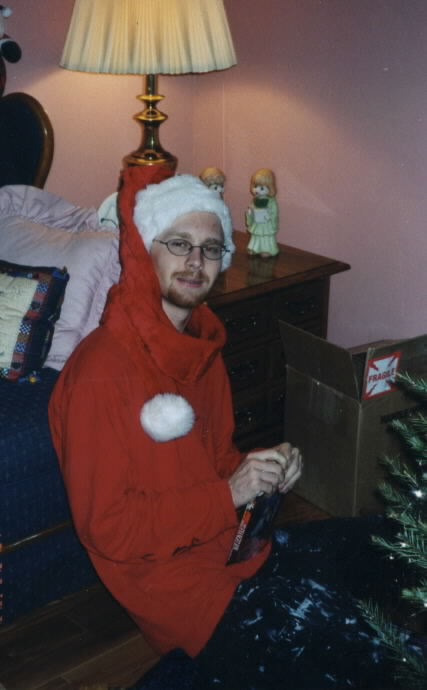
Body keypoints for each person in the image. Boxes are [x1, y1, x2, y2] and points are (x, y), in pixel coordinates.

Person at [49, 166, 397, 690]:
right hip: (182, 593)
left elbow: (217, 464)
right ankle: (195, 666)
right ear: (146, 251)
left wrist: (262, 470)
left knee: (387, 545)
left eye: (211, 248)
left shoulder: (201, 349)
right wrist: (228, 493)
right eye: (179, 243)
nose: (196, 261)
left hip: (236, 548)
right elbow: (109, 530)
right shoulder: (101, 372)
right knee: (358, 654)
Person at [246, 168, 279, 258]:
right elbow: (251, 210)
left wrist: (269, 217)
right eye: (255, 186)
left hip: (266, 224)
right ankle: (255, 248)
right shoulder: (254, 200)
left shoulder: (271, 202)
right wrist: (250, 213)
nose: (257, 190)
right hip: (257, 223)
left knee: (265, 237)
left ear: (270, 188)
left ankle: (266, 249)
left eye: (261, 188)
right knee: (256, 236)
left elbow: (274, 214)